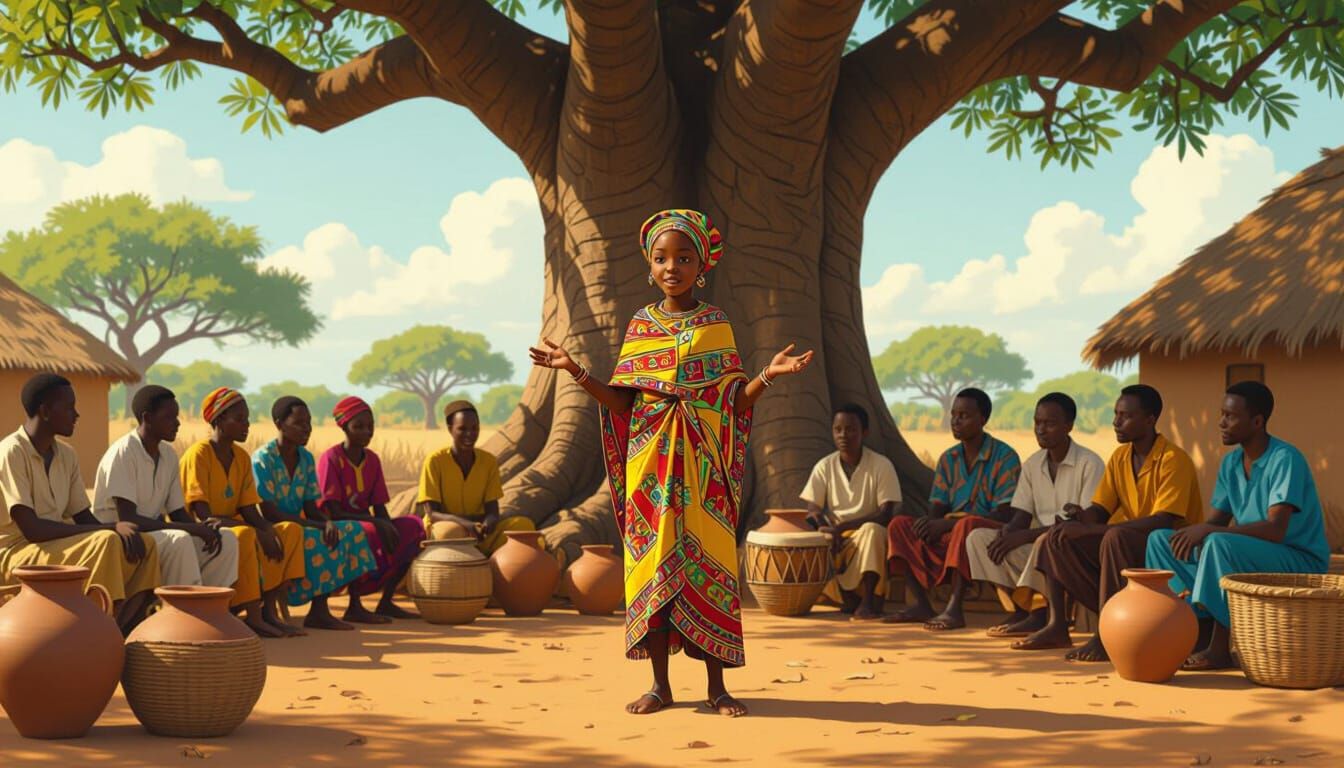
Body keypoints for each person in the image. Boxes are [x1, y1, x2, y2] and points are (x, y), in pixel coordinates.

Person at [529, 208, 813, 718]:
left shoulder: (715, 324)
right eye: (662, 258)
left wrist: (769, 375)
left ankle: (717, 687)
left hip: (704, 474)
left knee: (711, 569)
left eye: (684, 258)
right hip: (652, 473)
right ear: (649, 265)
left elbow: (733, 404)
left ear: (701, 266)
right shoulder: (642, 324)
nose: (672, 267)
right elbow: (623, 403)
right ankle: (660, 685)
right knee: (654, 570)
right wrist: (575, 370)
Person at [1147, 381, 1329, 671]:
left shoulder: (1285, 459)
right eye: (1222, 414)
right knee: (1161, 540)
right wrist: (1197, 531)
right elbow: (1216, 522)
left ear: (1257, 422)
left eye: (1230, 416)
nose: (1221, 422)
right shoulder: (1231, 463)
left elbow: (1275, 530)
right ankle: (1189, 630)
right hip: (1249, 555)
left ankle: (1220, 648)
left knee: (1218, 543)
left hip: (1297, 558)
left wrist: (1210, 532)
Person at [1013, 384, 1202, 661]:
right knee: (1056, 538)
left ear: (1150, 420)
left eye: (1126, 416)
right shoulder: (1120, 457)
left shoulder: (1174, 459)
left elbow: (1161, 522)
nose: (1116, 422)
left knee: (1113, 538)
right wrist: (1079, 518)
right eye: (1115, 414)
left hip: (1166, 551)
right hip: (1128, 545)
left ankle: (1106, 635)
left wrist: (1095, 529)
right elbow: (1100, 510)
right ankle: (1056, 625)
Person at [0, 373, 160, 632]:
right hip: (18, 551)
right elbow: (33, 530)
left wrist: (118, 529)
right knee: (107, 540)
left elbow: (83, 517)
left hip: (54, 544)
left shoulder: (66, 455)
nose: (76, 414)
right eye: (69, 407)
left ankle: (123, 626)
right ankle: (95, 628)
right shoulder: (12, 452)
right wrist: (110, 528)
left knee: (146, 543)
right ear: (45, 411)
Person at [963, 393, 1104, 638]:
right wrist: (1009, 532)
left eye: (1049, 423)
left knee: (1042, 542)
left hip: (1071, 546)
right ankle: (1024, 609)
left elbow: (1083, 523)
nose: (1040, 429)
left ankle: (1039, 615)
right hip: (1037, 542)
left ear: (1068, 426)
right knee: (979, 539)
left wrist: (1024, 536)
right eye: (1037, 422)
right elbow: (1021, 515)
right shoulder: (1032, 464)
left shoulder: (1089, 463)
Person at [884, 388, 1021, 631]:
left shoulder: (1005, 456)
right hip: (951, 530)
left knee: (966, 526)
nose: (955, 421)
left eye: (964, 416)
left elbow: (1005, 512)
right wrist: (931, 524)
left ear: (983, 419)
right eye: (953, 415)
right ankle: (920, 604)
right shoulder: (949, 458)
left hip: (984, 530)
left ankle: (954, 610)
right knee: (899, 525)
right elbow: (937, 505)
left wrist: (949, 524)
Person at [180, 386, 306, 637]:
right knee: (247, 535)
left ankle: (270, 612)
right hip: (205, 530)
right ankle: (254, 617)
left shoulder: (241, 457)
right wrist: (255, 530)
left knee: (289, 531)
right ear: (218, 420)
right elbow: (203, 515)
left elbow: (249, 508)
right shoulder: (199, 454)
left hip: (235, 523)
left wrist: (267, 529)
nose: (246, 425)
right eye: (239, 419)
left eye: (247, 419)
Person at [94, 385, 240, 597]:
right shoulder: (124, 453)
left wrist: (203, 528)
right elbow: (129, 518)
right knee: (179, 540)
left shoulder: (168, 455)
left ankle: (211, 605)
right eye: (170, 417)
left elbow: (177, 512)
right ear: (147, 418)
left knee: (226, 538)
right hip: (124, 537)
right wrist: (191, 529)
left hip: (156, 533)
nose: (178, 423)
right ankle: (185, 608)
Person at [252, 396, 377, 631]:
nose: (307, 428)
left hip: (298, 523)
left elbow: (311, 507)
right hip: (272, 527)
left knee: (351, 529)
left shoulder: (306, 458)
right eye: (299, 423)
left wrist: (327, 522)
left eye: (309, 422)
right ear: (279, 424)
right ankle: (312, 609)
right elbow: (269, 512)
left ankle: (326, 609)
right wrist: (319, 526)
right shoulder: (263, 459)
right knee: (316, 538)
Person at [317, 396, 425, 623]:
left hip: (367, 522)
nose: (367, 432)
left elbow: (379, 506)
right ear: (344, 427)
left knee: (414, 527)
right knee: (367, 531)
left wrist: (390, 527)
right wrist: (377, 523)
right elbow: (334, 511)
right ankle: (354, 606)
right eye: (359, 426)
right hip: (336, 525)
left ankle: (386, 600)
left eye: (370, 426)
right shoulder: (331, 458)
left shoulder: (373, 460)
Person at [800, 403, 902, 621]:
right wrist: (826, 528)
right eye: (838, 429)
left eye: (851, 429)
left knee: (873, 531)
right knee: (816, 540)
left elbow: (885, 514)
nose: (843, 435)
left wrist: (842, 527)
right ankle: (844, 597)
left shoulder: (881, 465)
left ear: (864, 432)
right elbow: (812, 509)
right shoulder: (824, 466)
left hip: (866, 534)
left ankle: (868, 601)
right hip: (837, 538)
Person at [417, 399, 535, 555]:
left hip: (478, 530)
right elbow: (432, 513)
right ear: (450, 429)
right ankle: (481, 554)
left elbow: (492, 511)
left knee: (523, 525)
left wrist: (488, 523)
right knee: (448, 532)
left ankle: (486, 556)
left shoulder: (488, 461)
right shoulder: (435, 461)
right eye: (462, 429)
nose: (470, 434)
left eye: (475, 428)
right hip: (447, 528)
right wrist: (465, 524)